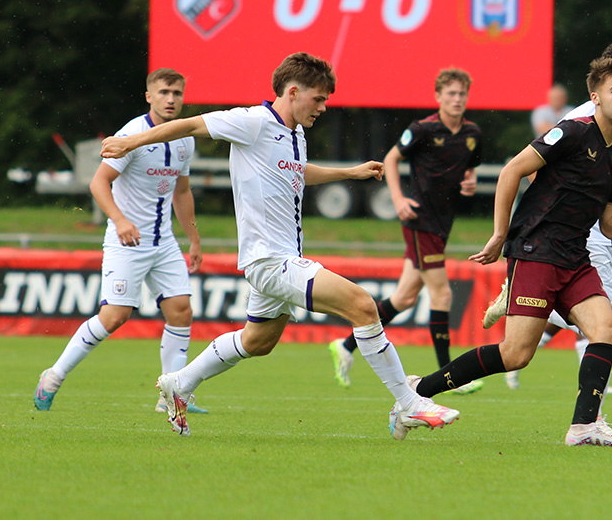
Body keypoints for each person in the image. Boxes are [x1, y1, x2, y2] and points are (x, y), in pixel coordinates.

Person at [99, 52, 459, 439]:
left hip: (281, 257)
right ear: (292, 91)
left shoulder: (295, 133)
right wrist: (130, 141)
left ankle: (179, 382)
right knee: (363, 305)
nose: (322, 107)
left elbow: (297, 172)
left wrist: (348, 173)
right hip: (270, 260)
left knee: (258, 340)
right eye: (318, 99)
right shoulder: (253, 121)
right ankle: (408, 403)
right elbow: (189, 125)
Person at [393, 57, 612, 446]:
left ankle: (584, 426)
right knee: (515, 355)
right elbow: (513, 170)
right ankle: (417, 391)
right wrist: (499, 234)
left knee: (608, 329)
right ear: (595, 97)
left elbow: (611, 225)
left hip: (575, 255)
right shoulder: (572, 133)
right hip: (537, 250)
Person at [492, 43, 612, 411]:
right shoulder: (576, 125)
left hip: (597, 240)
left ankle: (585, 420)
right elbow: (530, 169)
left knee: (534, 347)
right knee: (607, 325)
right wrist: (510, 232)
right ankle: (592, 415)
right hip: (570, 240)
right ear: (597, 94)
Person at [34, 68, 208, 414]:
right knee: (114, 316)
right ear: (149, 96)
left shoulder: (185, 138)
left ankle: (171, 397)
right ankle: (52, 377)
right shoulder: (132, 135)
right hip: (126, 241)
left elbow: (182, 190)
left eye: (176, 93)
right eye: (163, 92)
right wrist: (120, 220)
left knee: (181, 311)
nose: (171, 99)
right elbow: (99, 183)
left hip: (164, 242)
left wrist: (194, 239)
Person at [329, 69, 483, 393]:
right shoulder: (423, 129)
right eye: (451, 94)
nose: (457, 100)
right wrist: (398, 198)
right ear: (438, 97)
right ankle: (449, 376)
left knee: (404, 297)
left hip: (443, 222)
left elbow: (469, 168)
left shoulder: (472, 132)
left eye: (461, 94)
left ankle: (345, 346)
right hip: (420, 219)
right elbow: (391, 158)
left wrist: (470, 181)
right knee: (442, 293)